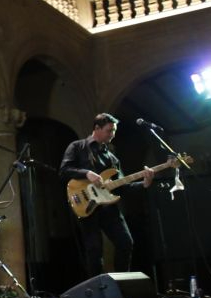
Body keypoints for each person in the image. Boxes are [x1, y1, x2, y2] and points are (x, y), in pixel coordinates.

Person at [59, 113, 154, 277]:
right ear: (97, 128)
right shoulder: (78, 147)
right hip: (86, 205)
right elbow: (64, 170)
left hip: (108, 207)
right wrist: (86, 173)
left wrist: (144, 184)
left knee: (126, 243)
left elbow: (122, 187)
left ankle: (121, 283)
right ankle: (98, 289)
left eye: (114, 131)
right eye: (109, 130)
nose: (113, 134)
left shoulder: (112, 159)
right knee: (94, 250)